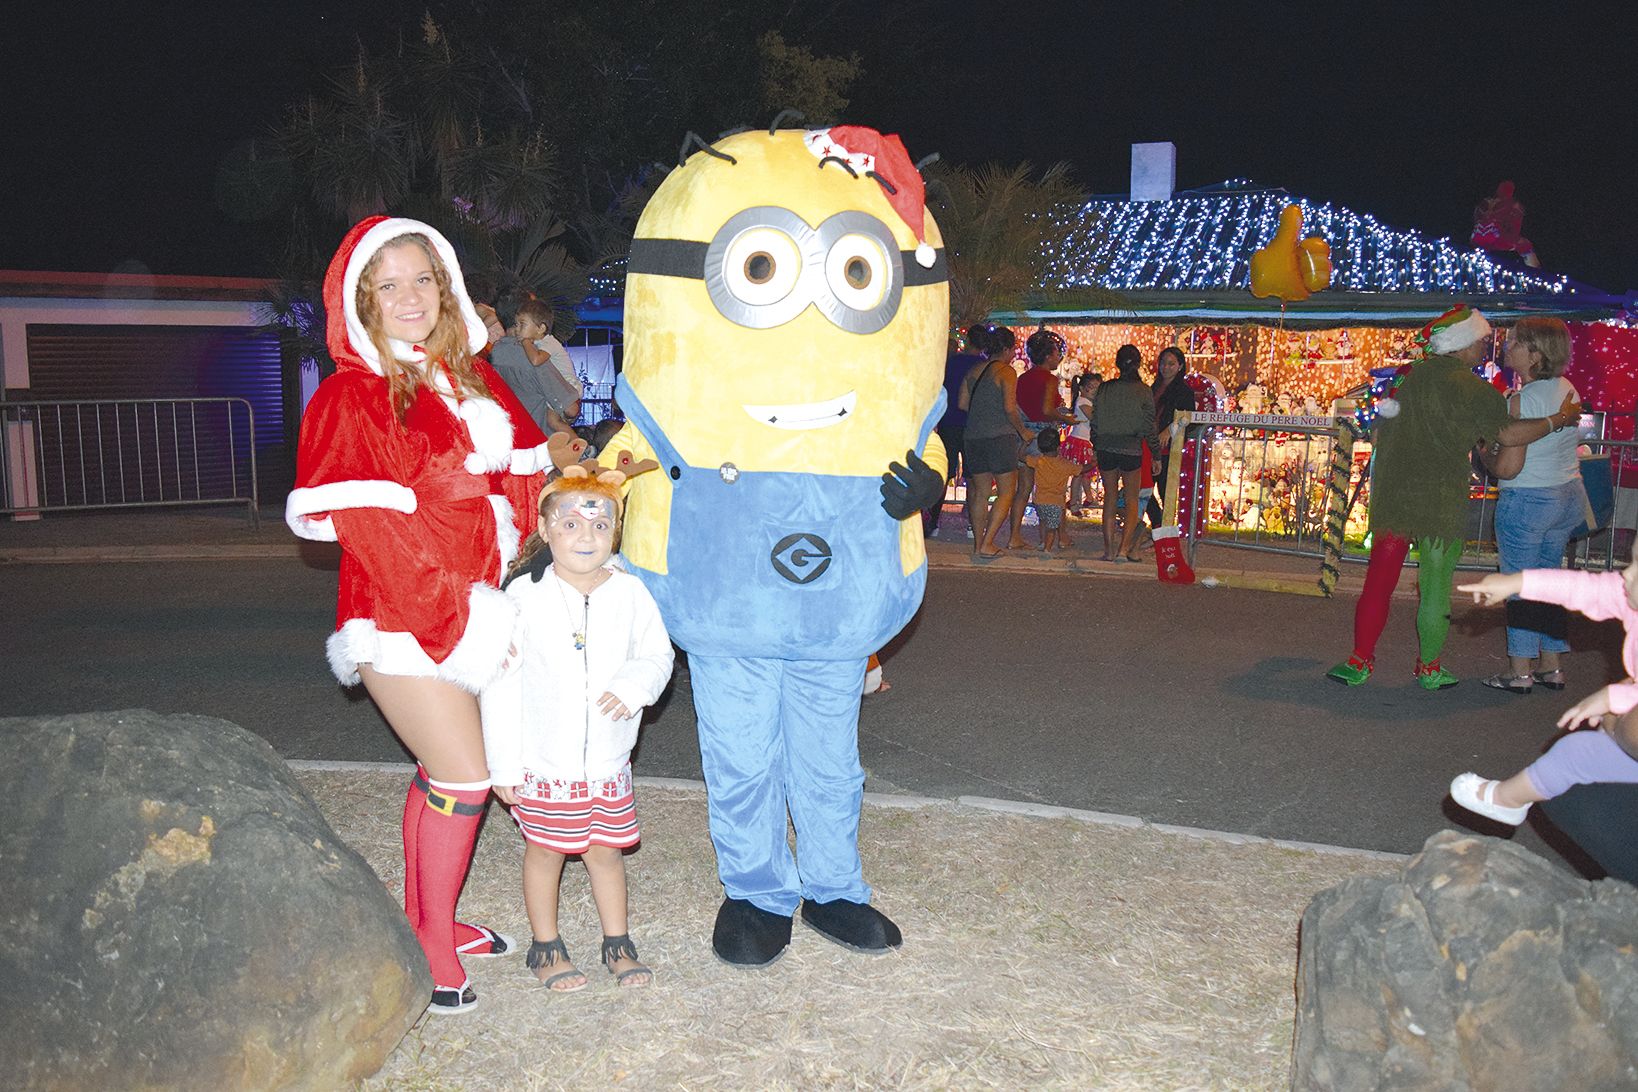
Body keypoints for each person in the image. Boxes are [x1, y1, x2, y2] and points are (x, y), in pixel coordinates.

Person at [286, 216, 554, 1015]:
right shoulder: (351, 398)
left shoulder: (477, 377)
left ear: (447, 288)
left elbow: (526, 491)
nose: (409, 297)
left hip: (486, 605)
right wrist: (471, 628)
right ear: (362, 301)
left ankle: (424, 915)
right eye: (388, 284)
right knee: (466, 778)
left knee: (442, 771)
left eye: (422, 279)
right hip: (403, 620)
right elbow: (380, 541)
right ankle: (431, 942)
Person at [482, 461, 673, 992]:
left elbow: (657, 654)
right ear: (545, 531)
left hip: (608, 763)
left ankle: (618, 941)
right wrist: (504, 764)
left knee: (605, 852)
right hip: (545, 763)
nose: (585, 536)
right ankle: (547, 945)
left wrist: (635, 684)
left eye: (599, 524)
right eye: (570, 524)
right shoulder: (522, 599)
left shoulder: (631, 593)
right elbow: (499, 685)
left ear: (616, 530)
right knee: (546, 851)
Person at [1325, 306, 1580, 690]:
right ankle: (1429, 668)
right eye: (1479, 341)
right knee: (1436, 586)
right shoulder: (1475, 389)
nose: (1484, 348)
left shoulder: (1405, 379)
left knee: (1378, 581)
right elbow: (1508, 436)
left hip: (1395, 495)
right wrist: (1557, 421)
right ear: (1462, 345)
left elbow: (1377, 435)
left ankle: (1360, 660)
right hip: (1441, 498)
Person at [1451, 562, 1638, 824]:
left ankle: (1507, 798)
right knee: (1585, 750)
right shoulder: (1630, 597)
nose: (1627, 572)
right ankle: (1510, 798)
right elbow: (1585, 588)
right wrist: (1517, 583)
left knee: (1581, 756)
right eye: (1633, 560)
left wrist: (1616, 697)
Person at [1478, 318, 1581, 693]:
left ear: (1535, 354)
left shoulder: (1522, 400)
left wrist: (1484, 454)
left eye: (1517, 342)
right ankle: (1551, 665)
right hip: (1564, 494)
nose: (1508, 345)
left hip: (1527, 499)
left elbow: (1509, 462)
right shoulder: (1567, 389)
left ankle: (1518, 671)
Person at [959, 325, 1034, 559]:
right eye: (1012, 350)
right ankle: (988, 542)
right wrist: (1023, 432)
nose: (1013, 355)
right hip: (1000, 438)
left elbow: (962, 404)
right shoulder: (1006, 372)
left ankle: (979, 544)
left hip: (973, 437)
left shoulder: (974, 371)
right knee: (1006, 491)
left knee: (980, 492)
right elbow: (1010, 408)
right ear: (1005, 349)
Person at [1007, 330, 1077, 549]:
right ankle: (1061, 537)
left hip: (1024, 436)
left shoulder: (1024, 377)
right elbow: (1047, 409)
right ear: (1048, 356)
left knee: (1023, 489)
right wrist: (1066, 418)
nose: (1059, 358)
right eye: (1057, 354)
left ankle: (1014, 536)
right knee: (1054, 488)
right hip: (1044, 439)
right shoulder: (1049, 378)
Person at [1090, 344, 1161, 562]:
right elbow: (1150, 427)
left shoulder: (1105, 388)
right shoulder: (1143, 391)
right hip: (1131, 448)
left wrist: (1096, 443)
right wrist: (1156, 455)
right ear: (1138, 364)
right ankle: (1123, 549)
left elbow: (1095, 420)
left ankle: (1109, 550)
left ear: (1117, 364)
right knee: (1131, 500)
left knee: (1110, 498)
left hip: (1106, 448)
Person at [489, 294, 580, 437]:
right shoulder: (531, 355)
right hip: (541, 444)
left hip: (509, 441)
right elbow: (571, 409)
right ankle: (581, 449)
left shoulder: (492, 353)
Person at [926, 326, 985, 537]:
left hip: (948, 421)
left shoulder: (950, 363)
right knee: (973, 477)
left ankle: (932, 522)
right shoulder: (983, 366)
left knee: (944, 472)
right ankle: (972, 524)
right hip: (973, 425)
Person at [1146, 346, 1196, 529]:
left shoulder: (1184, 391)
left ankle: (1164, 532)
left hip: (1168, 447)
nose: (1165, 367)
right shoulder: (1154, 387)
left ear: (1180, 366)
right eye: (1163, 363)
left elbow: (1188, 417)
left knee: (1165, 490)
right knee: (1143, 489)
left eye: (1171, 364)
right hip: (1150, 444)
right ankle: (1158, 525)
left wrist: (1169, 430)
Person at [1026, 427, 1080, 552]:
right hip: (1055, 501)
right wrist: (1093, 463)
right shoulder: (1064, 464)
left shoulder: (1038, 461)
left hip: (1039, 500)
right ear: (1058, 447)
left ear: (1039, 448)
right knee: (1052, 527)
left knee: (1043, 522)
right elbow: (1080, 469)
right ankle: (1047, 548)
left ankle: (1042, 542)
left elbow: (1022, 457)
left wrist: (1025, 444)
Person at [1064, 372, 1100, 515]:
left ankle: (1088, 498)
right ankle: (1073, 502)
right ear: (1083, 388)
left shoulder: (1084, 401)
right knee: (1078, 474)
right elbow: (1093, 417)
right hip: (1080, 441)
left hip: (1084, 441)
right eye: (1092, 388)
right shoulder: (1083, 402)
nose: (1095, 391)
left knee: (1084, 473)